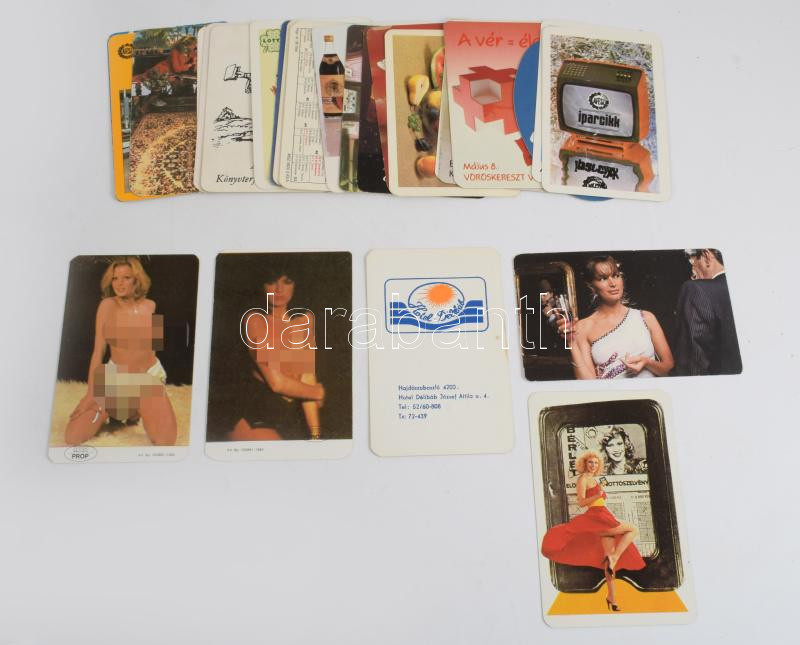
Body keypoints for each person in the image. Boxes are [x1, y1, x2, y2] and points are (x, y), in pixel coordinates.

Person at [65, 258, 177, 446]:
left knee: (166, 441)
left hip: (147, 378)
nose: (119, 283)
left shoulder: (151, 306)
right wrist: (91, 394)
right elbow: (98, 351)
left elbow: (154, 347)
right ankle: (122, 410)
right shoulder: (107, 306)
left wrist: (153, 394)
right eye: (115, 278)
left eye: (126, 278)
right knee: (72, 437)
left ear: (137, 280)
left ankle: (134, 410)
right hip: (116, 378)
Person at [228, 269, 325, 441]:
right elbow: (277, 383)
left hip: (288, 412)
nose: (279, 289)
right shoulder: (254, 320)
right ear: (261, 285)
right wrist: (318, 393)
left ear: (296, 285)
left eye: (287, 282)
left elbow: (307, 376)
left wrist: (316, 435)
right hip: (254, 410)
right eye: (272, 282)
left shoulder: (304, 320)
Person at [541, 451, 645, 611]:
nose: (593, 465)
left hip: (604, 515)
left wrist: (600, 494)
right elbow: (582, 502)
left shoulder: (594, 479)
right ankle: (615, 557)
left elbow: (599, 500)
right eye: (590, 462)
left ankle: (612, 597)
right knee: (633, 529)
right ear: (584, 463)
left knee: (608, 561)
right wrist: (597, 495)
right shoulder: (582, 479)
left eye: (596, 463)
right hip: (596, 518)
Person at [557, 256, 675, 379]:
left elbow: (669, 368)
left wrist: (647, 362)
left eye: (616, 276)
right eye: (603, 278)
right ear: (591, 286)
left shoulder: (646, 317)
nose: (613, 284)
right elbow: (588, 383)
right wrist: (571, 343)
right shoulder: (583, 327)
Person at [673, 249, 742, 376]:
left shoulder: (696, 288)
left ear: (706, 256)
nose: (692, 271)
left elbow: (694, 359)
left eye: (693, 262)